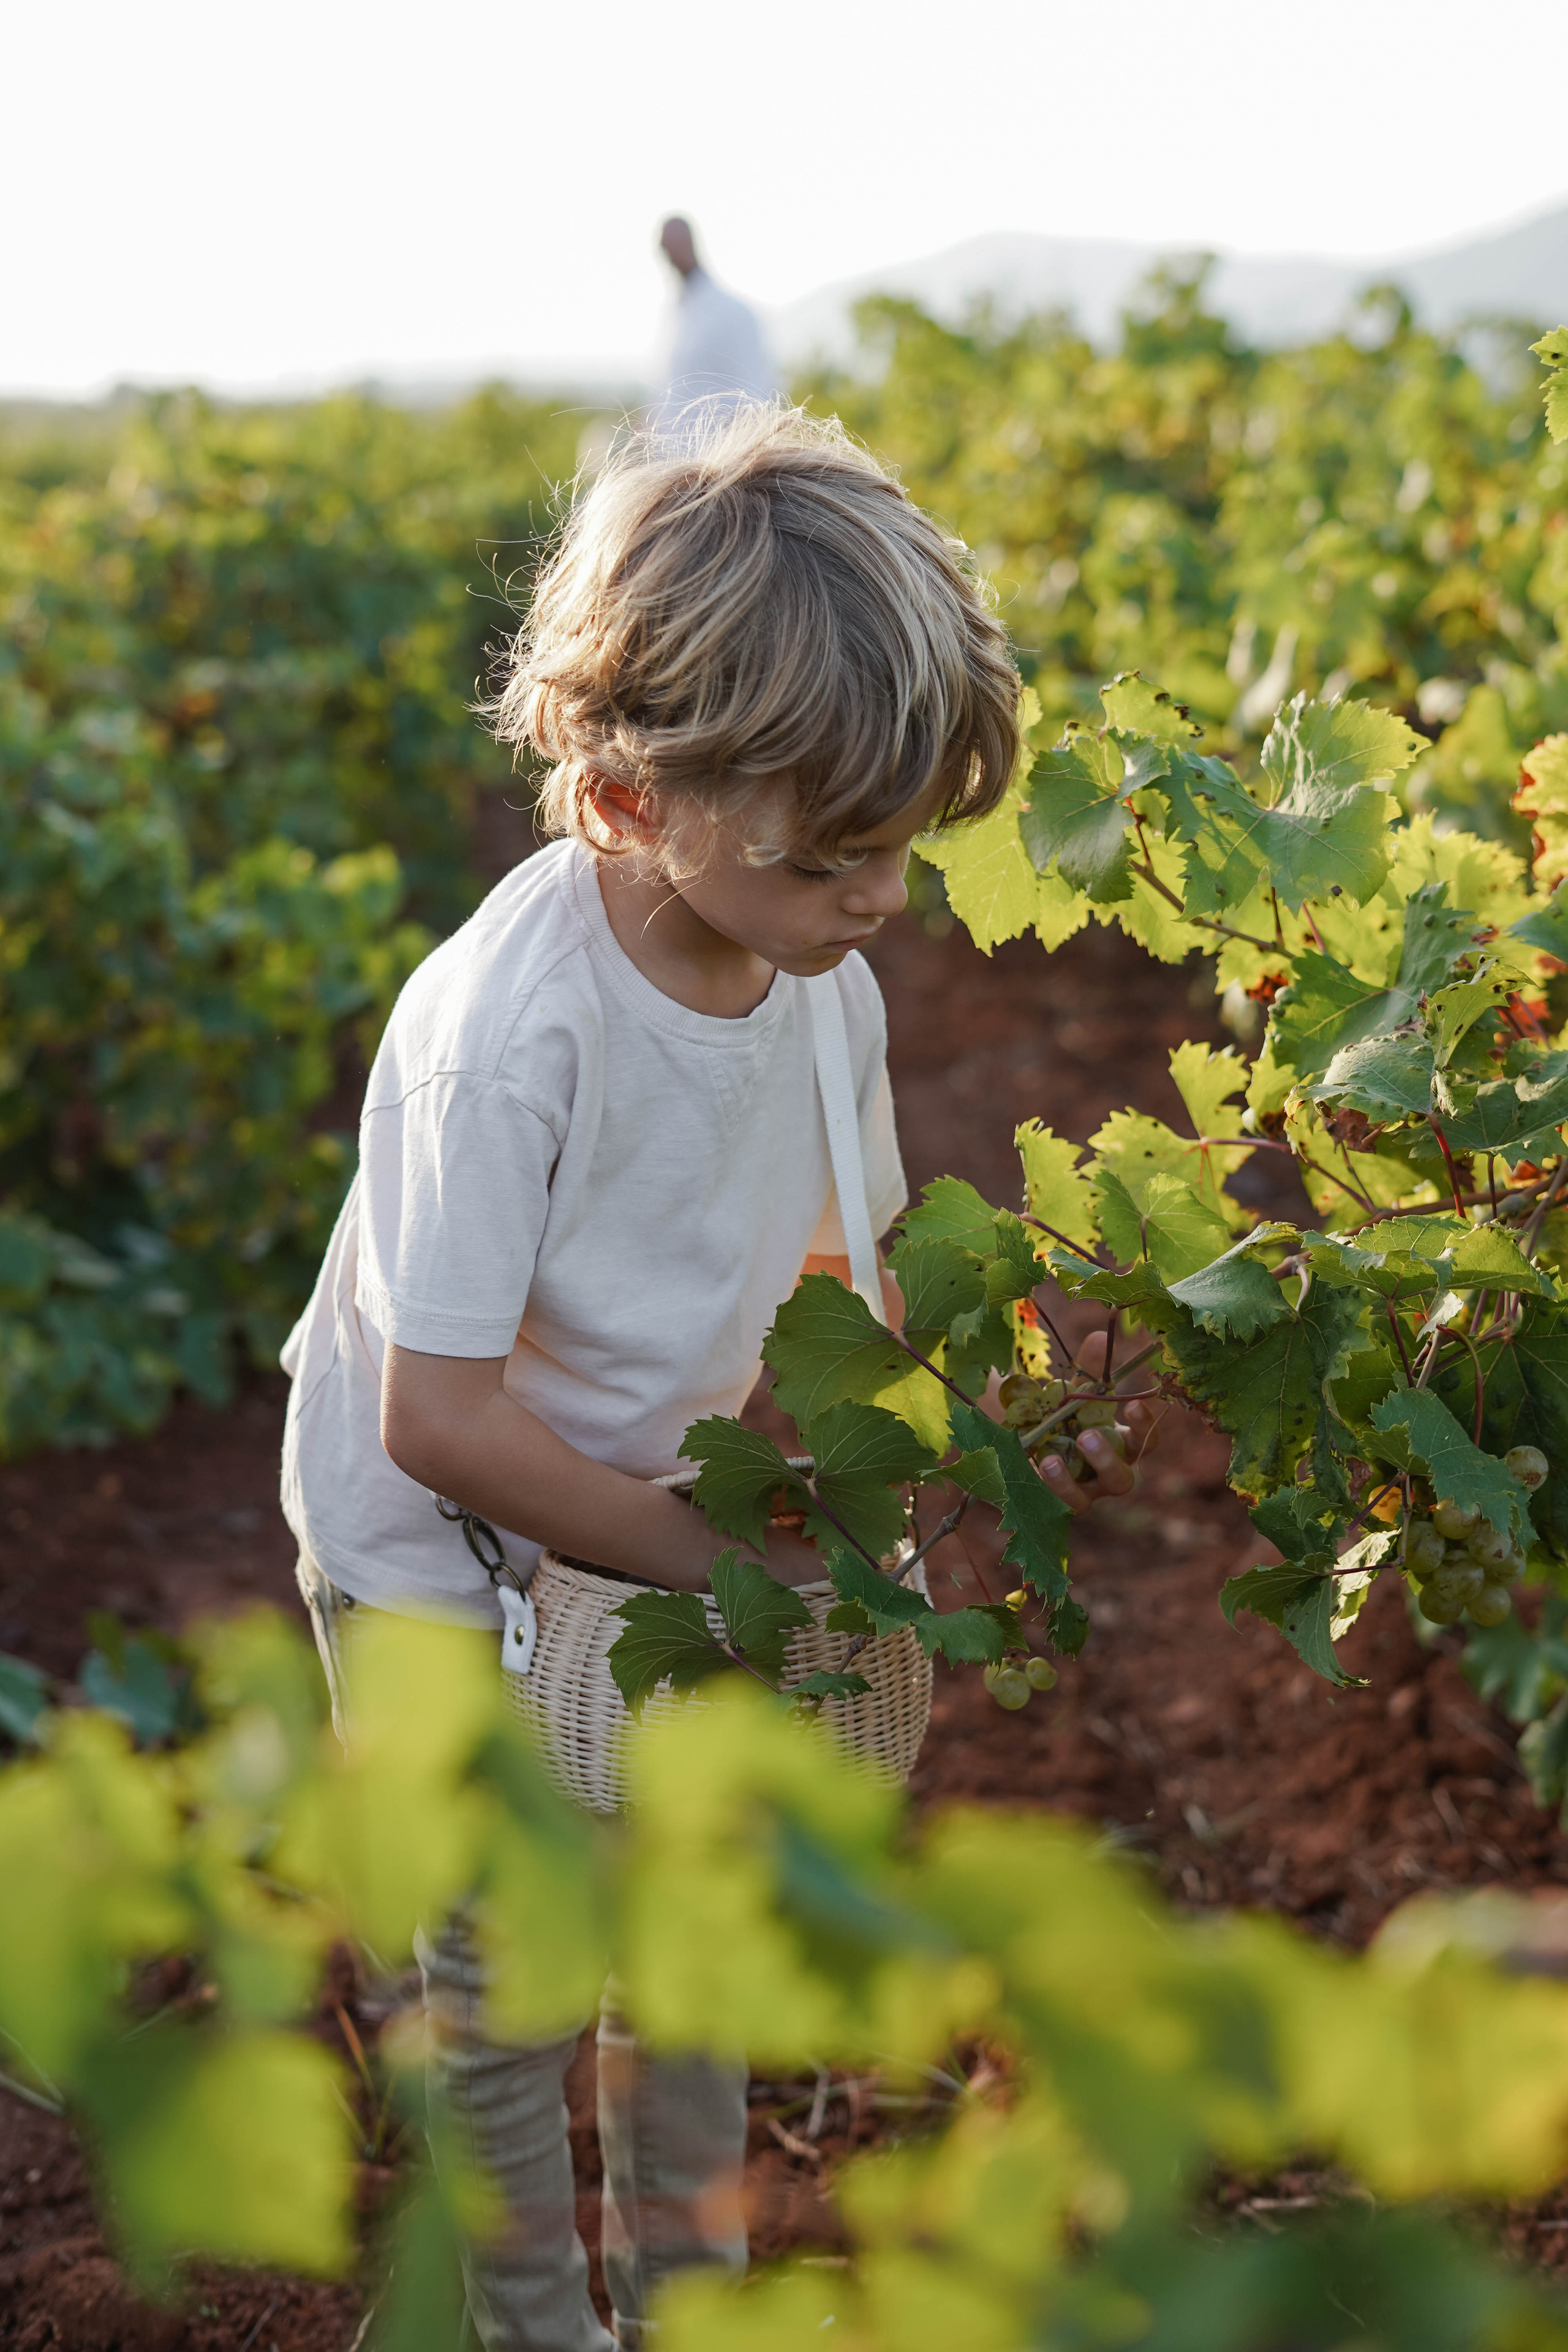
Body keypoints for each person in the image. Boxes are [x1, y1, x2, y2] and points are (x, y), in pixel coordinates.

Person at [279, 404, 1155, 2350]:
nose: (879, 904)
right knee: (502, 1971)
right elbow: (438, 1414)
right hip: (434, 1542)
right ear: (622, 800)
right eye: (838, 856)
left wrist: (917, 1434)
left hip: (639, 1486)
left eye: (903, 849)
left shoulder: (817, 969)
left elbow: (843, 1244)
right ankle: (529, 2314)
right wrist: (712, 1563)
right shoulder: (510, 1041)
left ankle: (686, 2299)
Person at [646, 215, 778, 443]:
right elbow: (664, 395)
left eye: (674, 245)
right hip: (671, 468)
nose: (670, 256)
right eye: (665, 248)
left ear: (690, 244)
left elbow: (758, 397)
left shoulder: (732, 313)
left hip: (718, 468)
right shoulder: (673, 316)